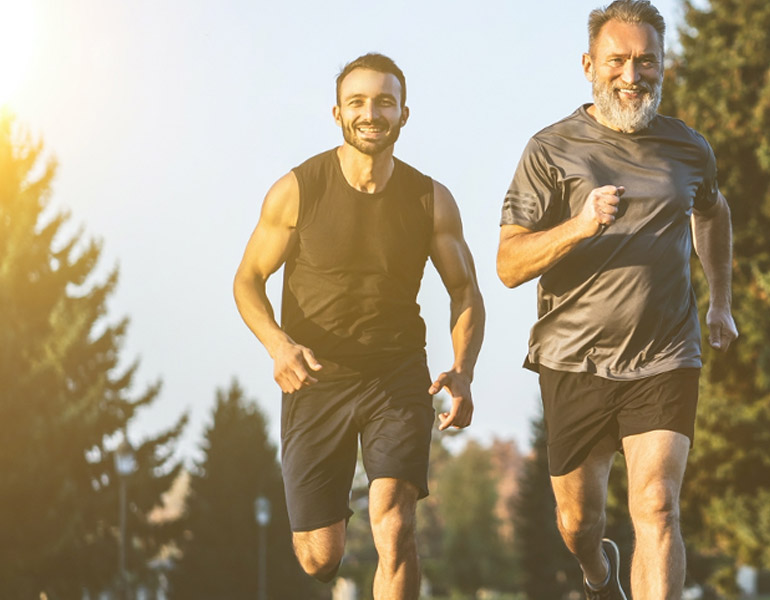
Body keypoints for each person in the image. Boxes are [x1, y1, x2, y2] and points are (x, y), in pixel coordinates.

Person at [496, 2, 737, 598]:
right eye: (618, 61)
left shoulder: (688, 148)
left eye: (646, 61)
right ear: (589, 65)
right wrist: (579, 226)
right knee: (578, 524)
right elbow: (507, 265)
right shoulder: (549, 150)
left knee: (657, 505)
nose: (632, 76)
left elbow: (713, 212)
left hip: (665, 355)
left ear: (662, 66)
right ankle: (598, 572)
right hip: (573, 361)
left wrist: (720, 302)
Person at [233, 53, 484, 599]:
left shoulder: (430, 199)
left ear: (404, 114)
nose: (372, 113)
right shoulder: (298, 190)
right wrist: (278, 346)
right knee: (319, 559)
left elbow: (464, 291)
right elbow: (248, 279)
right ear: (337, 113)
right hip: (315, 377)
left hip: (396, 376)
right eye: (358, 102)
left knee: (395, 525)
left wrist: (462, 371)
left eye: (385, 102)